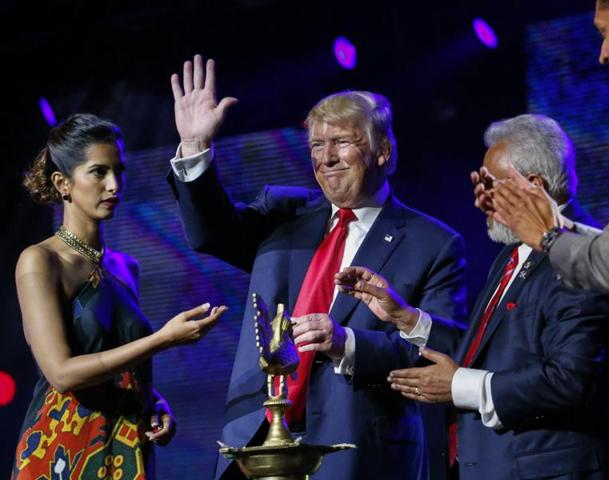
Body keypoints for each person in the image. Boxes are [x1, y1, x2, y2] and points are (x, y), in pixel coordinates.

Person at [167, 55, 467, 479]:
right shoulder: (283, 214)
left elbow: (443, 349)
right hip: (257, 445)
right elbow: (211, 234)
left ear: (383, 151)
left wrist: (348, 342)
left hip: (357, 452)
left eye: (342, 142)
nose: (326, 158)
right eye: (316, 146)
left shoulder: (432, 243)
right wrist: (196, 148)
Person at [339, 114, 609, 479]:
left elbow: (571, 379)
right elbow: (492, 353)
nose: (480, 197)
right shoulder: (510, 256)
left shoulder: (580, 258)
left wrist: (459, 385)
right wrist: (407, 318)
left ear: (532, 186)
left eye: (490, 184)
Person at [12, 113, 227, 479]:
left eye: (119, 170)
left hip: (126, 446)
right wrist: (163, 340)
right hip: (63, 449)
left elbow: (120, 360)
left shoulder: (126, 266)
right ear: (63, 184)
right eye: (98, 172)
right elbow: (61, 373)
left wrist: (153, 399)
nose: (114, 184)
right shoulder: (41, 261)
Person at [477, 1, 609, 476]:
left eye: (603, 33)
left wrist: (549, 235)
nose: (602, 54)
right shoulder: (509, 259)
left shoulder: (559, 257)